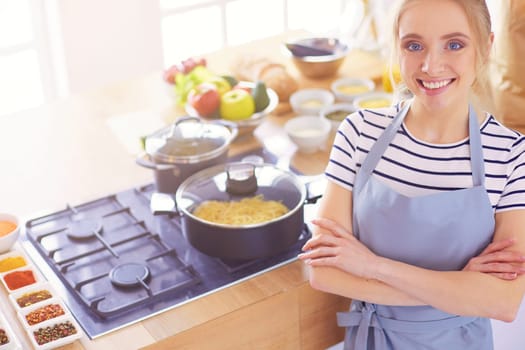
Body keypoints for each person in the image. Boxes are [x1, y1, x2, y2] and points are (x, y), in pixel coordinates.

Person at [298, 0, 525, 349]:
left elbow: (503, 302)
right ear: (397, 48)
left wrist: (371, 266)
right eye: (414, 45)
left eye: (454, 44)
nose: (431, 66)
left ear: (486, 47)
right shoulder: (358, 132)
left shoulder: (512, 155)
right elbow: (323, 271)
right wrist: (459, 289)